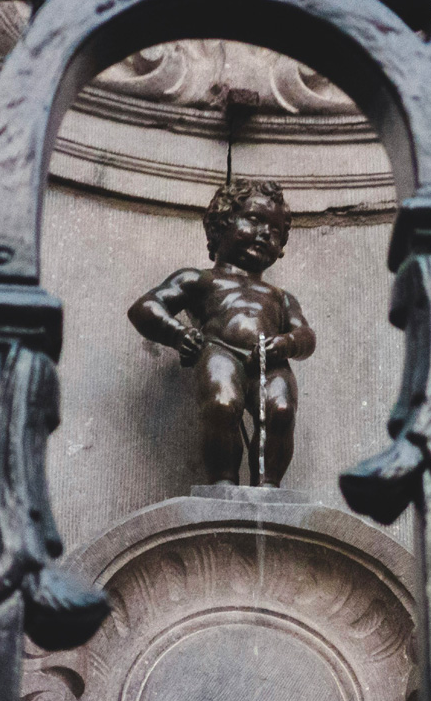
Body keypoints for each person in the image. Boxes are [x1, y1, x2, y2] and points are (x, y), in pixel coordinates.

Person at [128, 178, 317, 488]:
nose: (264, 233)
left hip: (271, 359)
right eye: (254, 219)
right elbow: (145, 308)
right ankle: (223, 483)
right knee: (221, 404)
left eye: (275, 231)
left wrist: (286, 343)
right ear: (221, 224)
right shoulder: (201, 280)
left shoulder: (280, 297)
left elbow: (306, 336)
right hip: (219, 349)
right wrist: (178, 335)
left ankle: (269, 487)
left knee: (280, 410)